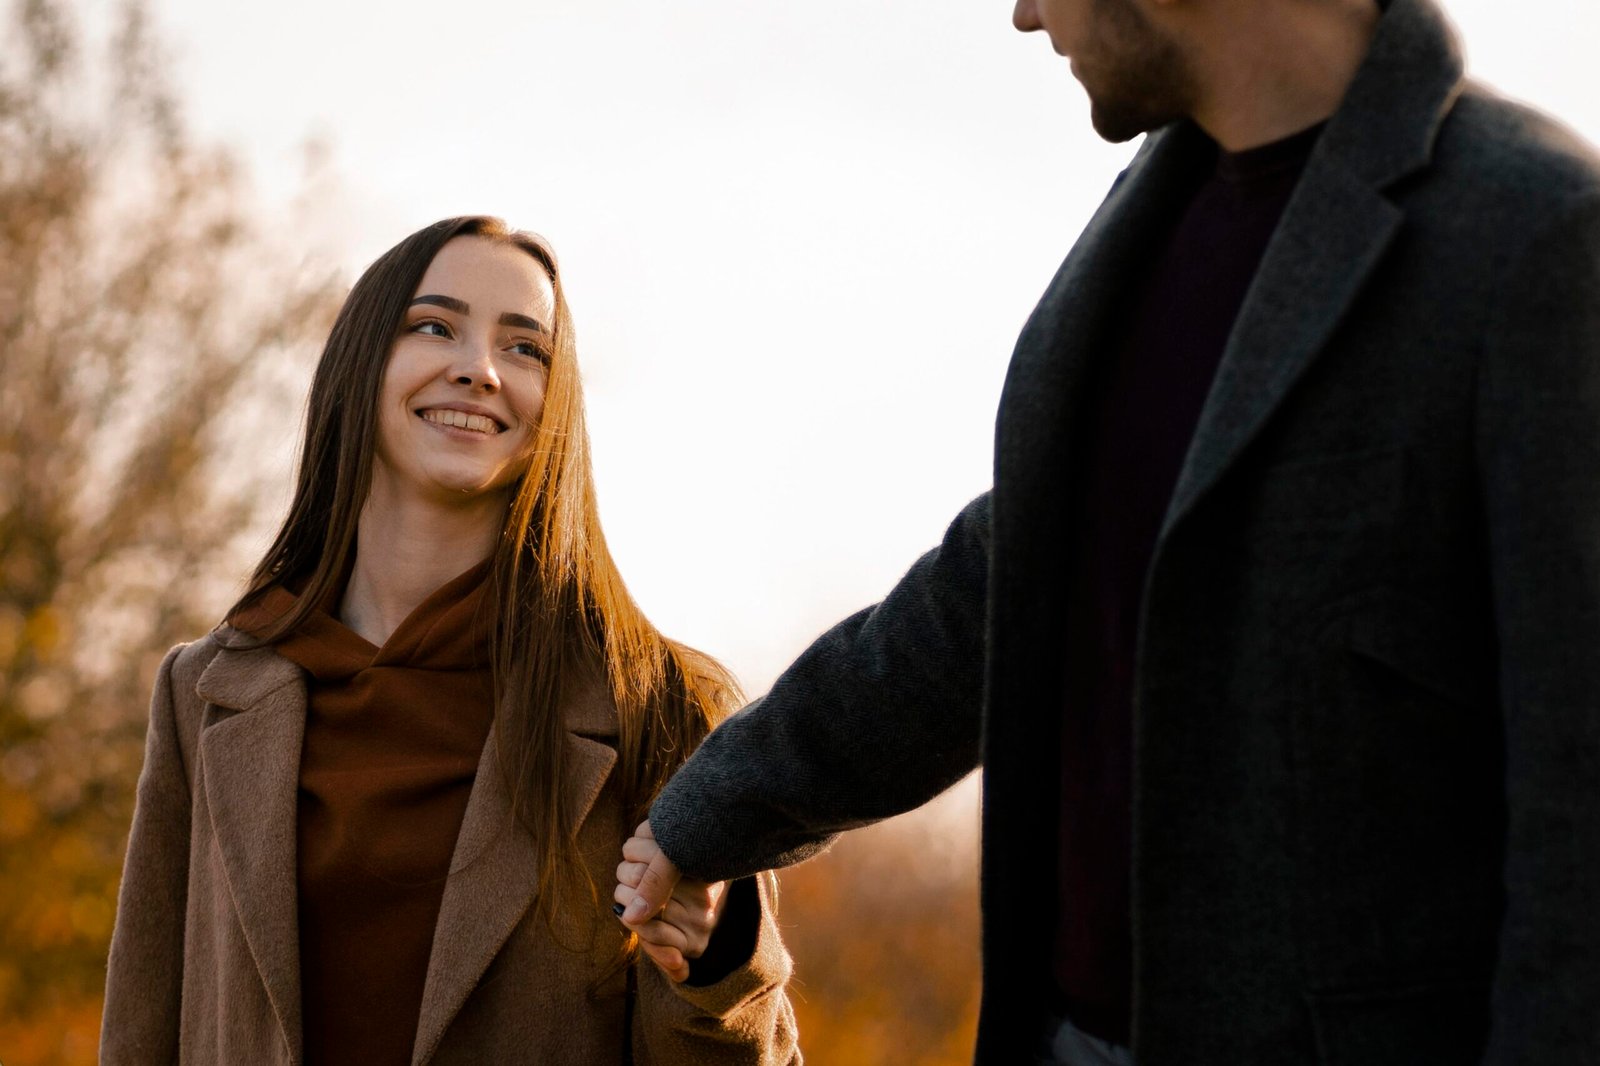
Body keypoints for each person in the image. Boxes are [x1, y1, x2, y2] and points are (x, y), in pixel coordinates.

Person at [614, 0, 1600, 1062]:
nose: (1024, 13)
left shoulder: (1533, 238)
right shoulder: (1147, 219)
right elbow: (988, 602)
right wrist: (707, 812)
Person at [101, 216, 800, 1064]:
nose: (479, 369)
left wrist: (717, 960)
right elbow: (141, 1033)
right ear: (362, 366)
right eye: (435, 326)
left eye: (526, 349)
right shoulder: (201, 693)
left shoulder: (661, 705)